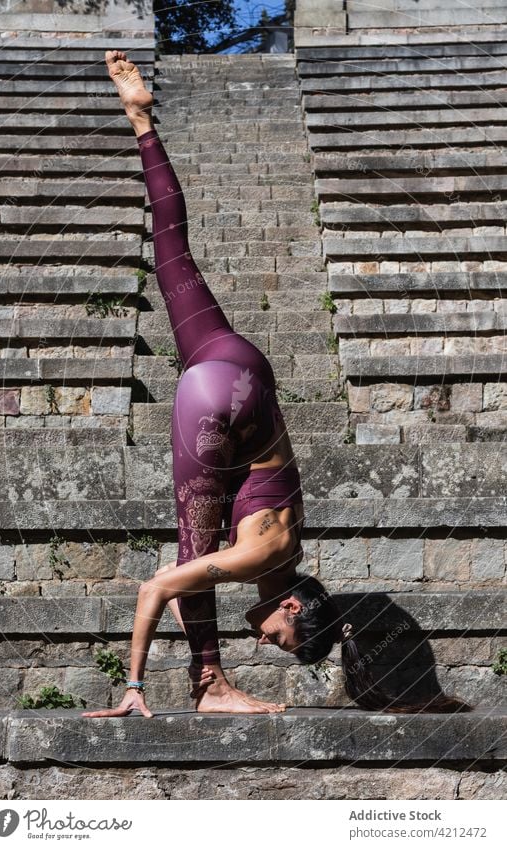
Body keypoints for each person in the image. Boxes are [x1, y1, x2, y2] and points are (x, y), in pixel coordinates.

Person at [82, 52, 472, 719]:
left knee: (173, 243)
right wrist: (135, 684)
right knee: (189, 549)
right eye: (283, 640)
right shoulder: (263, 551)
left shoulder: (288, 543)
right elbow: (156, 588)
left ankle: (140, 120)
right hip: (217, 399)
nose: (266, 641)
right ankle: (208, 684)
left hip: (238, 364)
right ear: (292, 604)